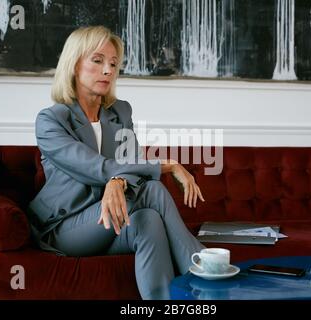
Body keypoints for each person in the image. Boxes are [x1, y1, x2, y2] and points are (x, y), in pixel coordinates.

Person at [27, 25, 206, 300]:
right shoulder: (51, 120)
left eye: (113, 63)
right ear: (74, 65)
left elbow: (130, 165)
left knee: (148, 220)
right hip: (67, 226)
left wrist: (118, 181)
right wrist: (167, 166)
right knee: (154, 190)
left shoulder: (120, 112)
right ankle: (203, 271)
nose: (108, 70)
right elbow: (94, 168)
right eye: (97, 61)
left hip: (114, 216)